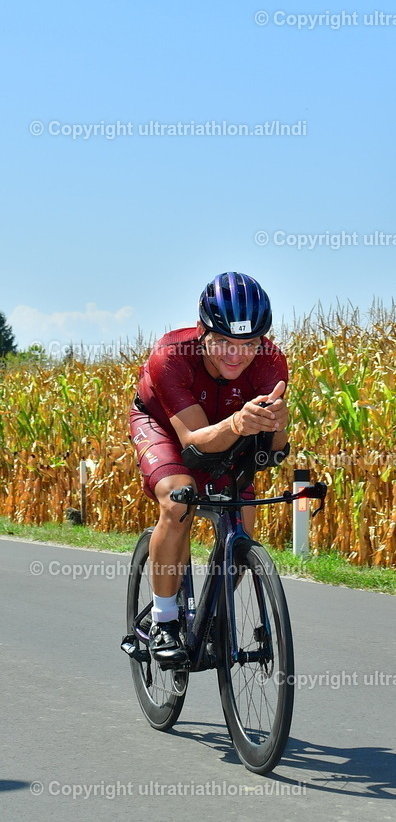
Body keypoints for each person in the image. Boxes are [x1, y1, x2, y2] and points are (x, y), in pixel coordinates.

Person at [129, 271, 289, 664]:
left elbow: (272, 454)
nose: (236, 354)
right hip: (166, 426)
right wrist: (238, 423)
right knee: (178, 499)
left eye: (248, 343)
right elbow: (195, 444)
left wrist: (278, 425)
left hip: (229, 431)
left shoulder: (271, 363)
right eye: (224, 342)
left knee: (242, 527)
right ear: (203, 332)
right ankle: (164, 621)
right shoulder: (171, 357)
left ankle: (215, 614)